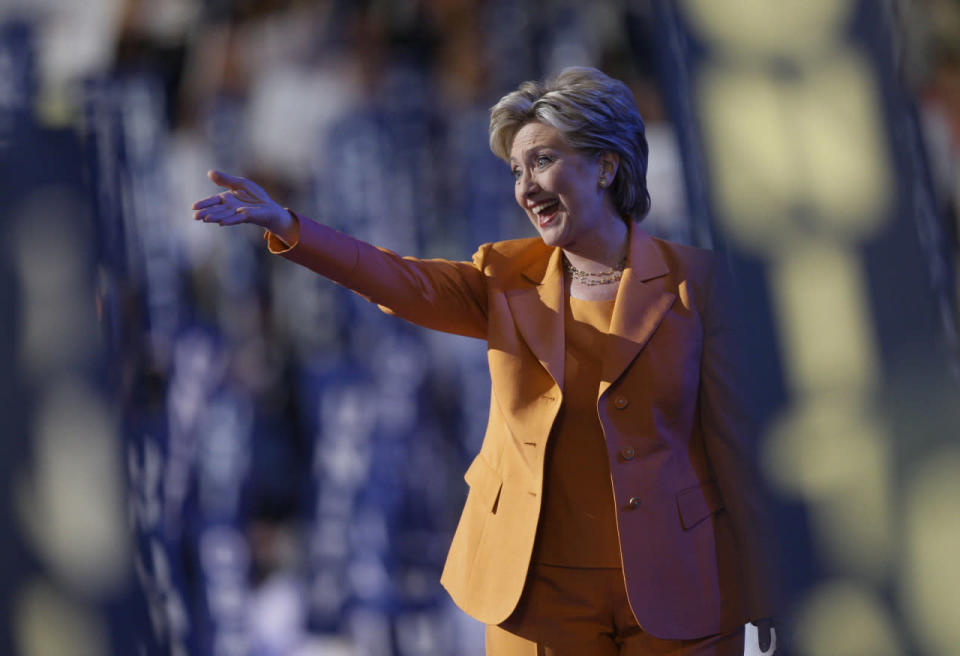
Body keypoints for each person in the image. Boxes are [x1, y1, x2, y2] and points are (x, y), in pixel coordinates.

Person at [193, 67, 778, 656]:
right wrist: (292, 228)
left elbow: (735, 448)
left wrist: (773, 587)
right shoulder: (504, 278)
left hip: (678, 587)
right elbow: (399, 281)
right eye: (517, 172)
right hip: (537, 592)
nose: (526, 188)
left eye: (543, 161)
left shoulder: (698, 286)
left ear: (607, 165)